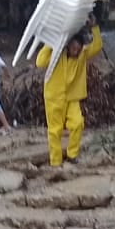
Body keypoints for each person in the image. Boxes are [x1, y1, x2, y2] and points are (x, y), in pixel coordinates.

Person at [36, 17, 103, 167]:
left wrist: (95, 27)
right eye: (73, 46)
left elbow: (97, 46)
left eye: (78, 47)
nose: (76, 49)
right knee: (55, 131)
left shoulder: (82, 55)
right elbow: (40, 62)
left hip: (72, 97)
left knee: (78, 123)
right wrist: (51, 43)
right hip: (54, 97)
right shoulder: (56, 55)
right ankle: (56, 161)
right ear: (67, 46)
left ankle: (72, 154)